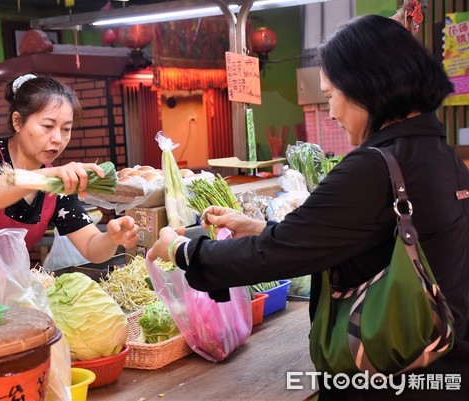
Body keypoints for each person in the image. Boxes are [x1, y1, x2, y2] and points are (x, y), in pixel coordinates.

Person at [149, 14, 469, 400]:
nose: (331, 111)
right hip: (442, 359)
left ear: (367, 87)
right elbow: (357, 239)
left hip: (385, 374)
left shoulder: (374, 167)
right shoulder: (441, 155)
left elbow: (277, 255)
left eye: (331, 94)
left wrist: (181, 250)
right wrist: (254, 226)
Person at [0, 74, 138, 263]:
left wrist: (111, 238)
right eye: (47, 126)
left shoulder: (55, 183)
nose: (58, 139)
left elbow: (91, 247)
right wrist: (45, 177)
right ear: (18, 122)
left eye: (66, 129)